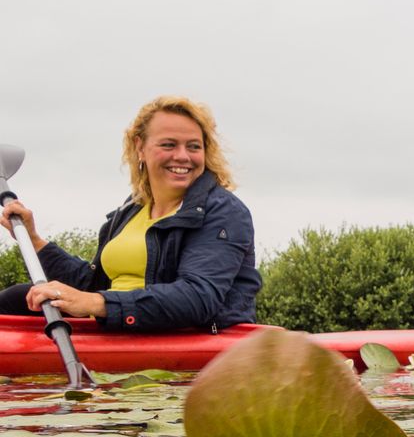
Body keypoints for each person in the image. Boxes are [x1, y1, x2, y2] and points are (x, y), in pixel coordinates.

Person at [0, 96, 260, 331]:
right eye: (169, 145)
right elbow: (91, 283)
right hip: (115, 333)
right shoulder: (132, 209)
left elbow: (197, 297)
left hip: (182, 341)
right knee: (16, 298)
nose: (183, 156)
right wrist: (33, 239)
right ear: (140, 148)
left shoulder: (224, 211)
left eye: (194, 146)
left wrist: (96, 303)